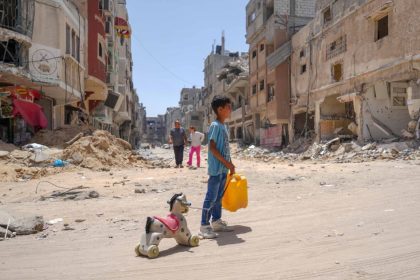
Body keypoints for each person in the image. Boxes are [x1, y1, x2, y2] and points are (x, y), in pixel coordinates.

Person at [199, 95, 235, 239]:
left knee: (218, 197)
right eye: (228, 107)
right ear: (220, 110)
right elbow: (212, 148)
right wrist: (227, 163)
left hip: (223, 169)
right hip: (216, 169)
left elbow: (225, 148)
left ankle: (216, 221)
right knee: (211, 197)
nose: (230, 109)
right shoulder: (215, 126)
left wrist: (230, 164)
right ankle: (204, 226)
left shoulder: (223, 126)